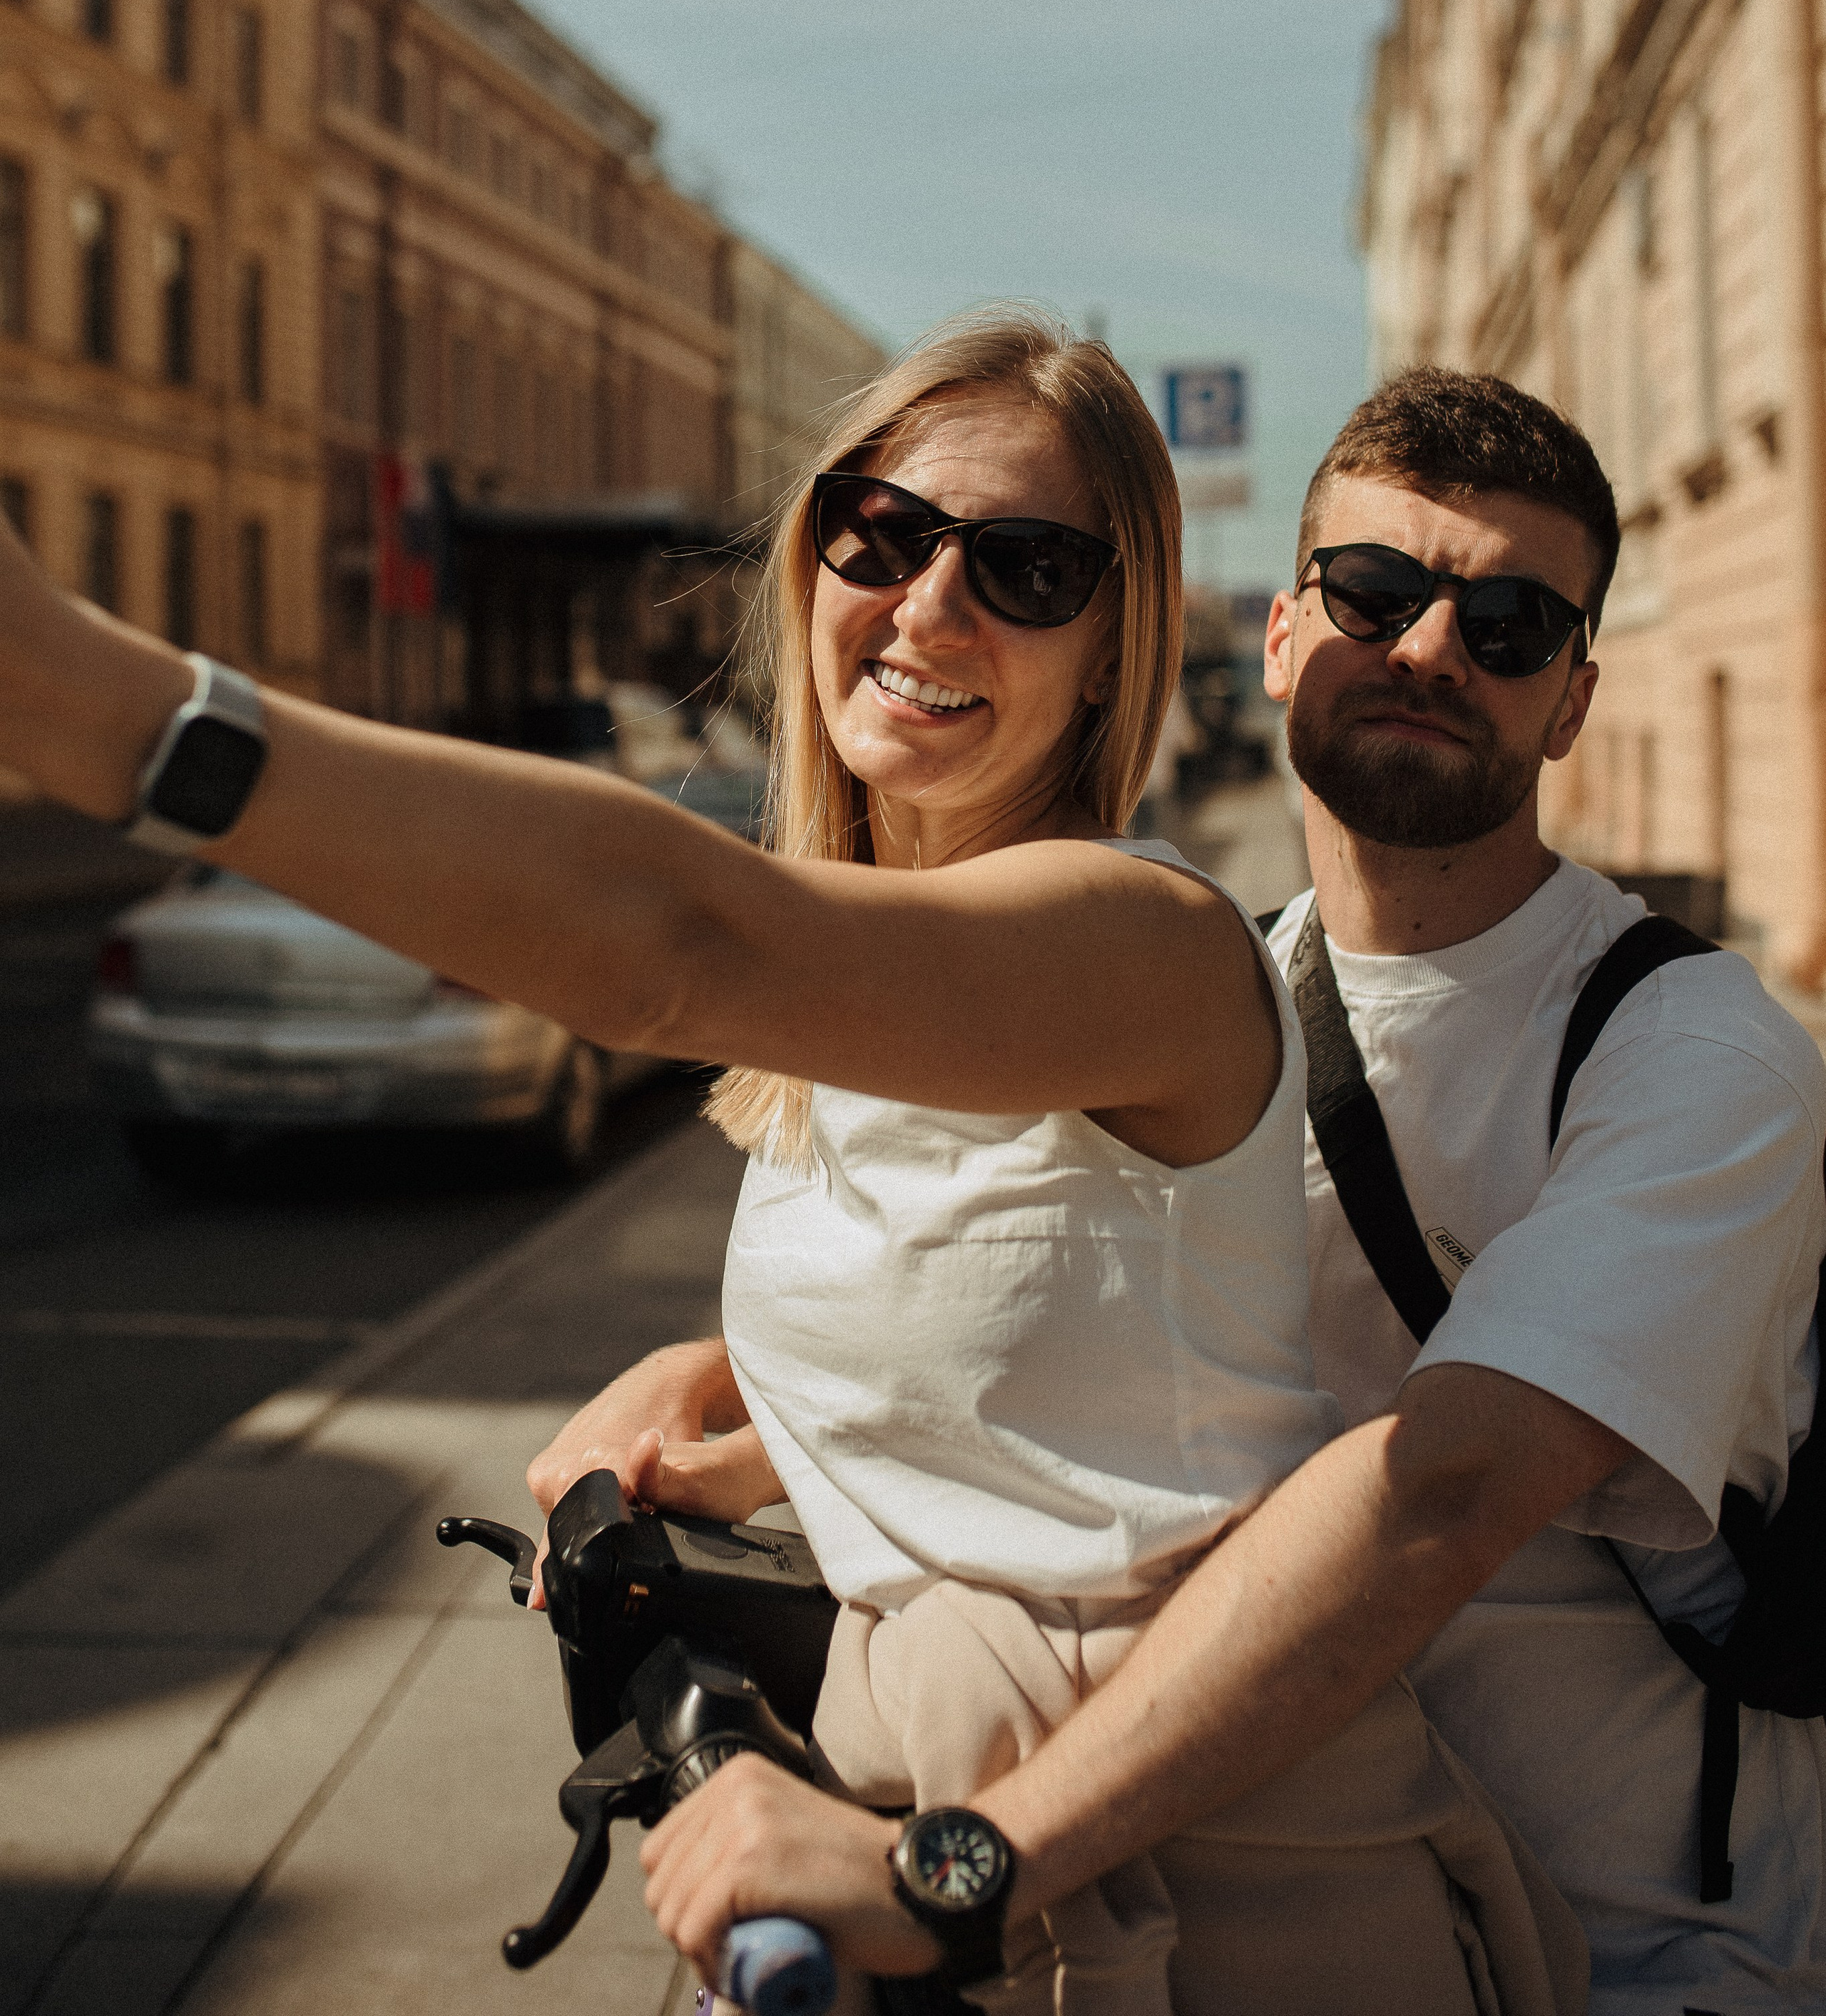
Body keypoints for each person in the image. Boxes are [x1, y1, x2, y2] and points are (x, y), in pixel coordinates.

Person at [0, 312, 1575, 2016]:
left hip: (1223, 1886)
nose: (926, 605)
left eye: (1028, 568)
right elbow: (1086, 1360)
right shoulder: (861, 996)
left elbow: (665, 942)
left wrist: (110, 713)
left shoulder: (1141, 938)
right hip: (897, 1835)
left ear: (1117, 649)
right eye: (880, 533)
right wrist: (740, 1418)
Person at [591, 368, 1826, 2015]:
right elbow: (1093, 1348)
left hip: (1641, 1954)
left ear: (1573, 699)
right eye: (1374, 592)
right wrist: (731, 1397)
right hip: (1258, 1895)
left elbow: (1438, 1488)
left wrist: (951, 1868)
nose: (1429, 649)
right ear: (1278, 634)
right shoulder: (1217, 992)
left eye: (1509, 622)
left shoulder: (1689, 1051)